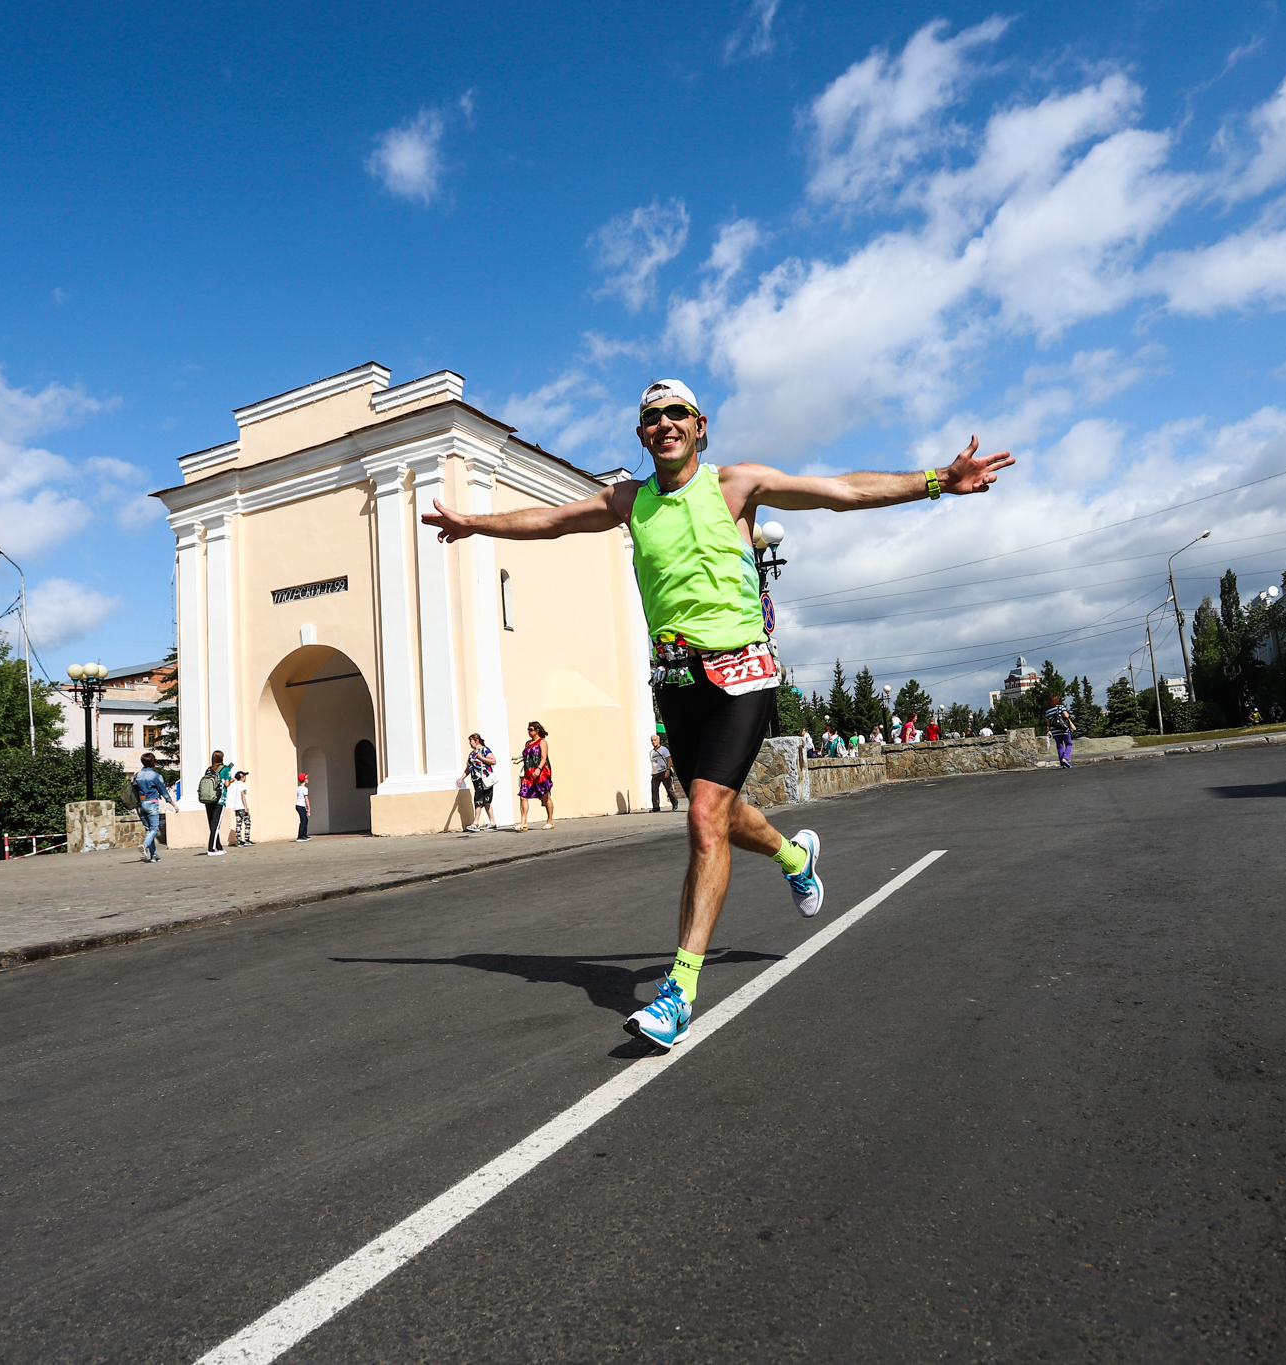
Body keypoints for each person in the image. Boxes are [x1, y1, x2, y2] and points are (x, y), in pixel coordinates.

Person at [423, 375, 1011, 1049]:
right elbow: (553, 520)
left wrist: (938, 480)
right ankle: (796, 855)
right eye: (651, 417)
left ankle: (678, 992)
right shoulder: (631, 502)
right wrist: (473, 523)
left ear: (701, 425)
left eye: (677, 413)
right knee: (722, 813)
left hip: (741, 671)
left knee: (702, 814)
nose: (665, 423)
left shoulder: (736, 486)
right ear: (642, 435)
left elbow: (841, 492)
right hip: (674, 682)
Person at [513, 721, 555, 831]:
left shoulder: (542, 742)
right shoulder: (528, 743)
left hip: (540, 772)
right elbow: (527, 755)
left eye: (530, 729)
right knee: (523, 796)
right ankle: (523, 822)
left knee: (545, 796)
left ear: (537, 731)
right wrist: (519, 759)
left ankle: (549, 821)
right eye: (528, 729)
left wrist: (539, 769)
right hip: (528, 772)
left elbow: (543, 757)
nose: (528, 732)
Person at [134, 754, 176, 862]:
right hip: (152, 803)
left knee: (149, 830)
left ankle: (154, 855)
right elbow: (163, 791)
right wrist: (173, 804)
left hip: (141, 804)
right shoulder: (156, 776)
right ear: (153, 762)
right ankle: (144, 846)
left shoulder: (137, 775)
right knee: (154, 829)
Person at [466, 734, 499, 829]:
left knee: (479, 800)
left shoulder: (484, 750)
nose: (469, 743)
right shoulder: (472, 754)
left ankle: (476, 823)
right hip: (476, 780)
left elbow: (493, 761)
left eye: (471, 741)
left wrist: (481, 758)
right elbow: (469, 767)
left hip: (484, 779)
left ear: (477, 741)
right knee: (485, 801)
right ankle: (492, 822)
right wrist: (462, 778)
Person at [198, 750, 228, 855]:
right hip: (219, 799)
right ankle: (212, 848)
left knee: (212, 823)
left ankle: (218, 846)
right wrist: (231, 780)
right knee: (216, 824)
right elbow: (227, 783)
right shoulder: (225, 769)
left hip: (208, 799)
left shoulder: (208, 770)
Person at [648, 735, 681, 812]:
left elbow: (669, 760)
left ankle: (675, 803)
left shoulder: (663, 749)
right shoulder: (651, 752)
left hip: (664, 772)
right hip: (655, 773)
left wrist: (668, 770)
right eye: (652, 740)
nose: (653, 742)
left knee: (669, 789)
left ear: (658, 740)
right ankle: (656, 807)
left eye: (655, 740)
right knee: (654, 790)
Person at [1044, 693, 1076, 768]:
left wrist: (1049, 730)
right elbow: (1066, 715)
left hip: (1055, 731)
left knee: (1059, 746)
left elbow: (1048, 723)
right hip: (1063, 729)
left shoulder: (1048, 712)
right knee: (1069, 744)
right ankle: (1065, 759)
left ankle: (1063, 764)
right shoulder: (1061, 707)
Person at [228, 768, 254, 846]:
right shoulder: (242, 784)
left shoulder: (235, 786)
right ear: (241, 777)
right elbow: (243, 795)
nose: (245, 778)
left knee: (238, 823)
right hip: (242, 807)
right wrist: (246, 806)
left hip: (236, 807)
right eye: (244, 776)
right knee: (247, 822)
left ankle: (239, 840)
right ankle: (246, 839)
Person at [294, 772, 312, 842]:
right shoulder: (304, 789)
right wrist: (308, 808)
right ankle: (300, 836)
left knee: (305, 820)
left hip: (298, 806)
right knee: (303, 821)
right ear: (304, 780)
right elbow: (306, 798)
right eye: (306, 778)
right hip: (301, 806)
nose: (307, 779)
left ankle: (304, 835)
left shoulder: (299, 788)